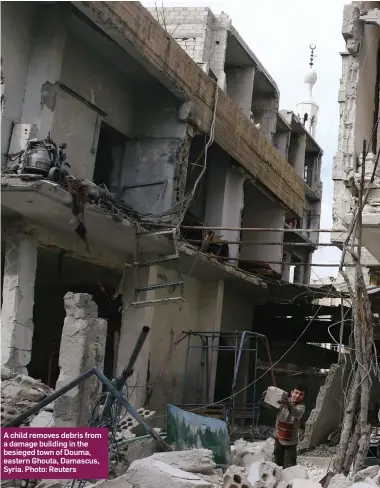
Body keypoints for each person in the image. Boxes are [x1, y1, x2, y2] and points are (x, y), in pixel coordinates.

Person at [261, 384, 306, 469]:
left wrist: (288, 404)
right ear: (292, 392)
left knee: (290, 467)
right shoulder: (282, 401)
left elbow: (297, 413)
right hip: (279, 439)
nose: (297, 396)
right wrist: (266, 399)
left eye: (301, 394)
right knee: (277, 465)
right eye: (296, 392)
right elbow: (272, 406)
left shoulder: (301, 407)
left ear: (303, 397)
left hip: (291, 442)